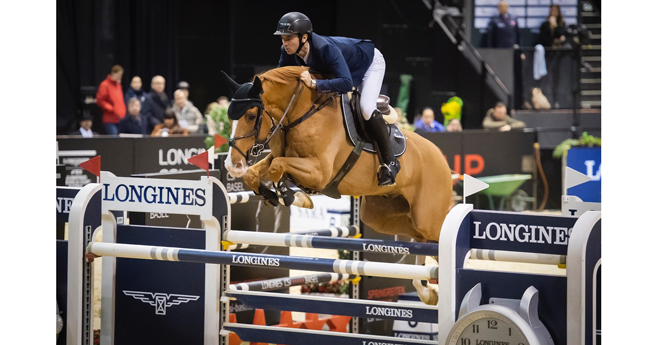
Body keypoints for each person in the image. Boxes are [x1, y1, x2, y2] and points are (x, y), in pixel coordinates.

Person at [274, 12, 398, 186]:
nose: (285, 43)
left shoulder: (325, 48)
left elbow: (346, 83)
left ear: (304, 37)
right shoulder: (287, 52)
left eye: (288, 38)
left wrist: (315, 83)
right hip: (343, 69)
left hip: (369, 63)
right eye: (282, 39)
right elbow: (282, 80)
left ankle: (390, 161)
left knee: (366, 108)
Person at [95, 64, 126, 136]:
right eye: (119, 75)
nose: (120, 77)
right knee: (114, 139)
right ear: (113, 73)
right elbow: (100, 100)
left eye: (121, 75)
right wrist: (111, 108)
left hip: (120, 118)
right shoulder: (105, 85)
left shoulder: (118, 85)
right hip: (110, 119)